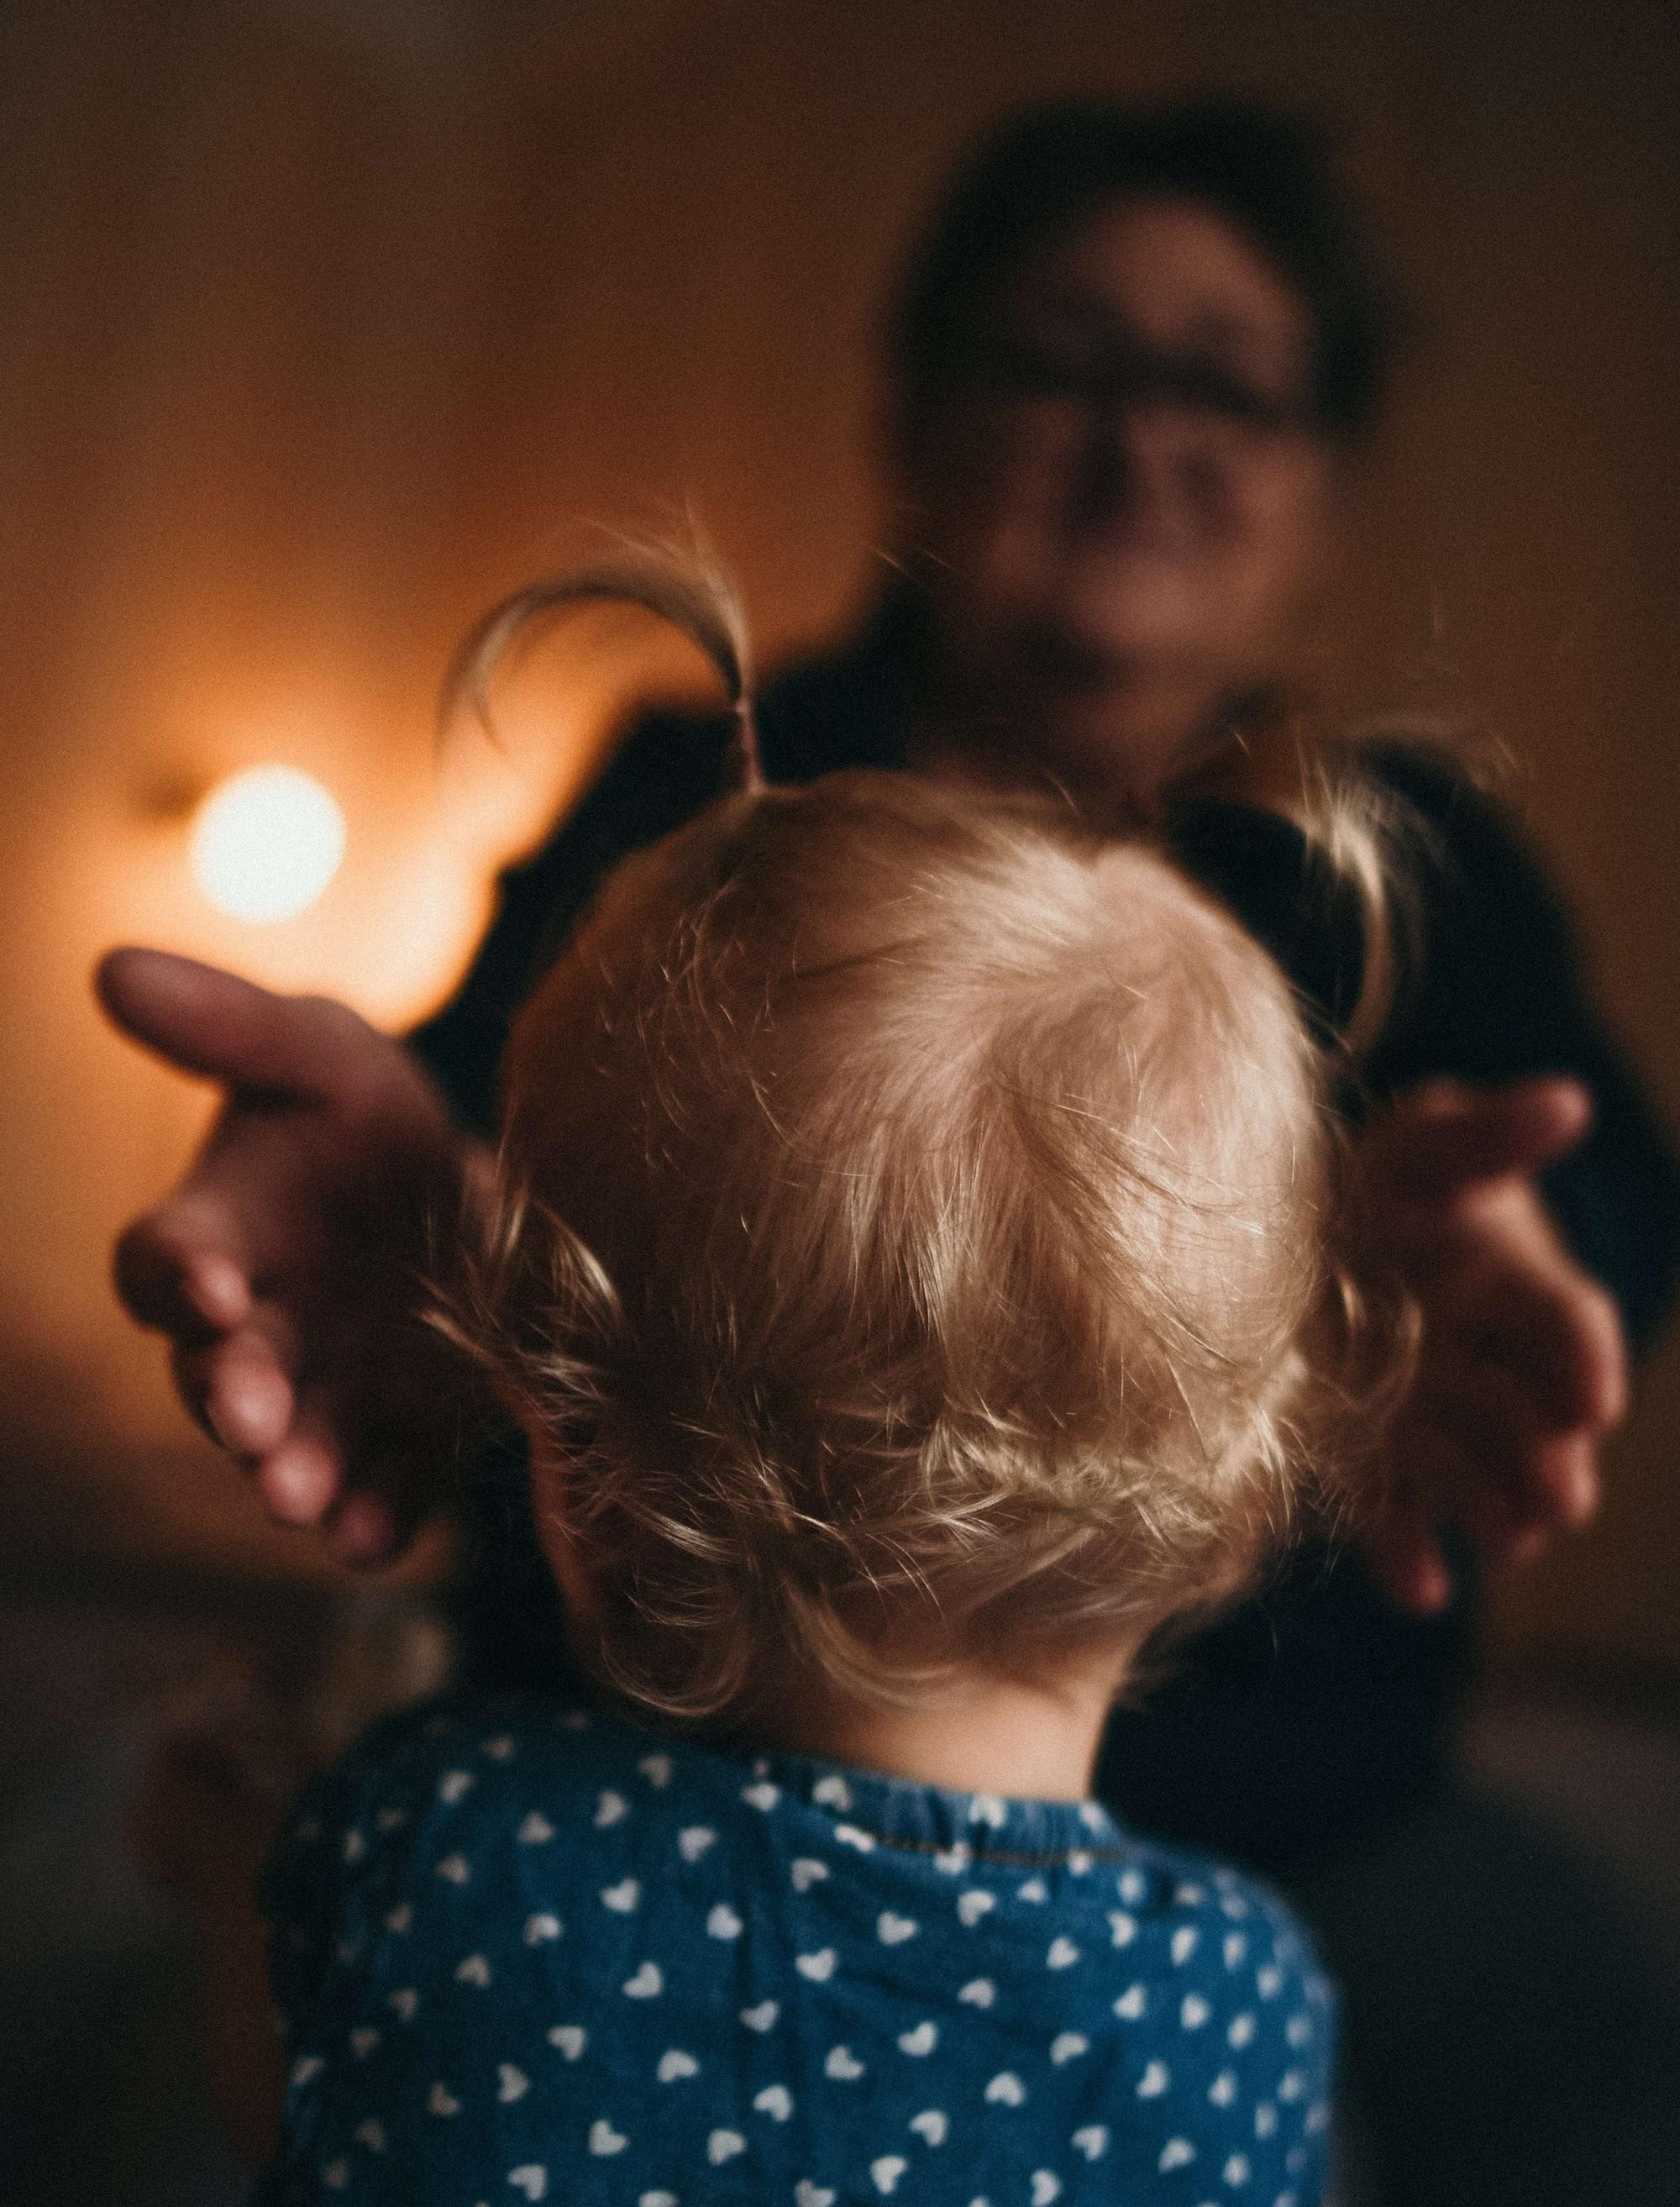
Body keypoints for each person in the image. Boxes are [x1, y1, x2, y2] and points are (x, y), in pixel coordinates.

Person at [101, 98, 1679, 2198]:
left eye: (1224, 385)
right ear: (918, 419)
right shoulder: (704, 792)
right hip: (632, 1721)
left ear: (1316, 490)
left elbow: (1604, 1199)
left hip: (1283, 1798)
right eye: (1064, 362)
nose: (1143, 440)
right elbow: (489, 1123)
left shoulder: (1409, 873)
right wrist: (423, 1195)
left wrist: (1482, 1250)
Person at [257, 564, 1383, 2203]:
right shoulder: (1250, 2004)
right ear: (1242, 1502)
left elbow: (312, 2115)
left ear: (576, 1452)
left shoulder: (449, 1846)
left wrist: (236, 1882)